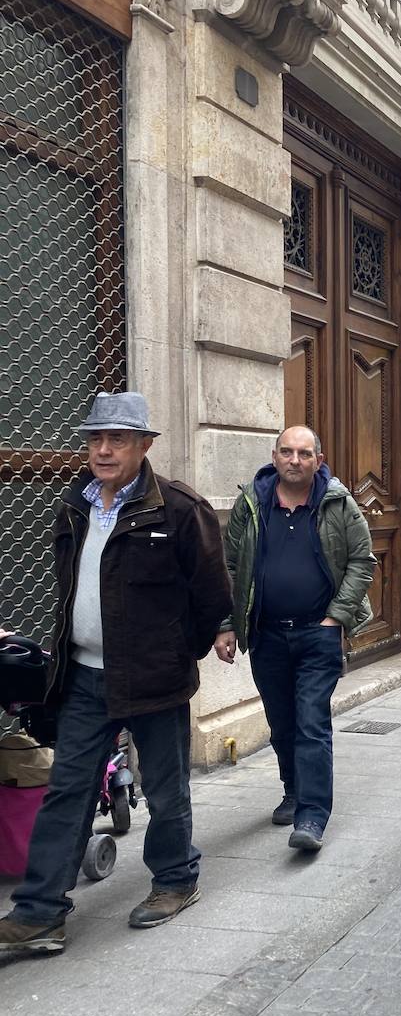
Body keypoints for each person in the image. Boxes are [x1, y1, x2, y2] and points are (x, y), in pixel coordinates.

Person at [0, 393, 232, 955]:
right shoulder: (74, 504)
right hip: (82, 677)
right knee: (67, 790)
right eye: (96, 439)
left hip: (154, 678)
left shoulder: (178, 508)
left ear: (144, 445)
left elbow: (211, 594)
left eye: (118, 439)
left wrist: (180, 650)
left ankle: (176, 880)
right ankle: (39, 914)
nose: (103, 450)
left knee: (167, 787)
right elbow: (68, 588)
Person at [216, 426, 375, 851]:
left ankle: (312, 816)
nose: (294, 460)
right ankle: (292, 790)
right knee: (281, 723)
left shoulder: (338, 504)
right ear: (274, 456)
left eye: (304, 454)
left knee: (310, 722)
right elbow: (229, 566)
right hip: (266, 634)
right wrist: (227, 624)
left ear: (318, 461)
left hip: (317, 633)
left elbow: (363, 560)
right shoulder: (252, 504)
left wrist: (336, 618)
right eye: (286, 452)